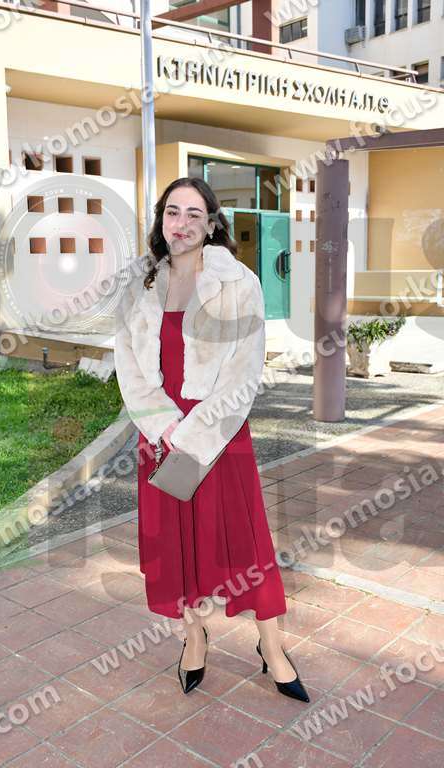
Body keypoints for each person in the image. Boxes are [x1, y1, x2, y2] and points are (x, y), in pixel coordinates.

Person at [114, 176, 309, 702]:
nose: (181, 224)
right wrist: (164, 426)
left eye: (194, 214)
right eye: (172, 212)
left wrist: (195, 435)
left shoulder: (239, 282)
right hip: (160, 435)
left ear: (211, 224)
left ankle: (272, 647)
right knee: (174, 541)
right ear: (161, 219)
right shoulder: (139, 286)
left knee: (245, 542)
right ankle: (194, 636)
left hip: (218, 433)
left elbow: (245, 371)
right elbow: (128, 365)